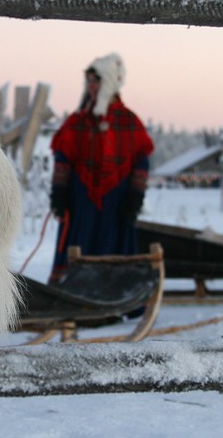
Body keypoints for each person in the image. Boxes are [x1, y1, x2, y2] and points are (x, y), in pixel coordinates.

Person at [48, 53, 154, 285]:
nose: (91, 86)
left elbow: (141, 162)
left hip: (117, 203)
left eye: (96, 81)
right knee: (79, 247)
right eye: (88, 81)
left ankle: (115, 292)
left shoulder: (129, 121)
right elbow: (63, 157)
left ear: (108, 83)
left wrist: (135, 198)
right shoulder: (78, 121)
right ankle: (74, 290)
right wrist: (59, 193)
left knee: (113, 249)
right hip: (81, 203)